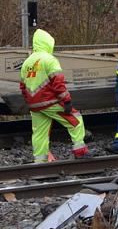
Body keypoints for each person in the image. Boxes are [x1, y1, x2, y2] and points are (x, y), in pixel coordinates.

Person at [19, 29, 90, 162]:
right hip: (49, 102)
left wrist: (30, 100)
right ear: (47, 43)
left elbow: (23, 86)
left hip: (34, 105)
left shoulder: (27, 62)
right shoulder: (49, 60)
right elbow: (58, 83)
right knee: (76, 120)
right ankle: (80, 151)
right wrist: (66, 101)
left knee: (39, 133)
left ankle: (40, 161)